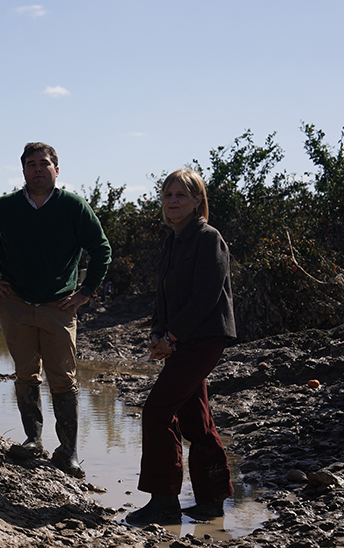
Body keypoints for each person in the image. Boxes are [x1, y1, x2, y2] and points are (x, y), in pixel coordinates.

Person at [0, 142, 111, 478]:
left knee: (63, 378)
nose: (37, 169)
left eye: (44, 163)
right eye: (31, 164)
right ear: (23, 171)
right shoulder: (7, 206)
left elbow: (101, 248)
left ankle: (68, 452)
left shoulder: (73, 206)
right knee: (26, 374)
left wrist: (86, 292)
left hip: (58, 306)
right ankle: (33, 440)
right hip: (15, 305)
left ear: (56, 170)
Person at [126, 169, 236, 525]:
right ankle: (212, 501)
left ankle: (165, 504)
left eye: (182, 195)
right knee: (196, 420)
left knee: (157, 412)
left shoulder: (208, 238)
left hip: (204, 339)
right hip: (181, 339)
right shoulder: (173, 240)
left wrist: (172, 337)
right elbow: (165, 297)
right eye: (168, 195)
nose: (173, 201)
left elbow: (205, 296)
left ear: (197, 201)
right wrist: (159, 334)